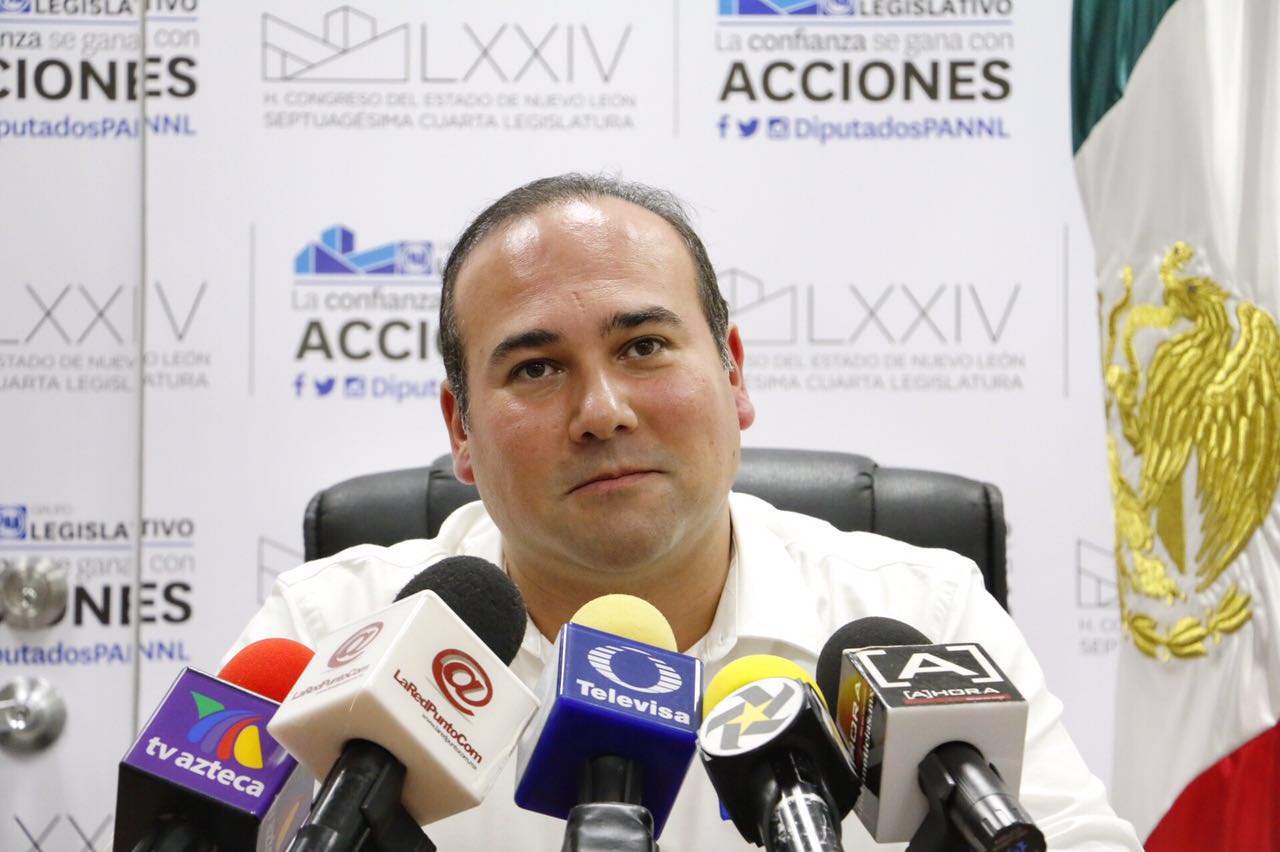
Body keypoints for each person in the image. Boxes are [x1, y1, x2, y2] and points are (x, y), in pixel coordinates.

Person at [229, 174, 1142, 850]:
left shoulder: (926, 618)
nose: (602, 412)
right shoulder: (325, 634)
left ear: (734, 374)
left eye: (644, 346)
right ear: (460, 429)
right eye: (536, 368)